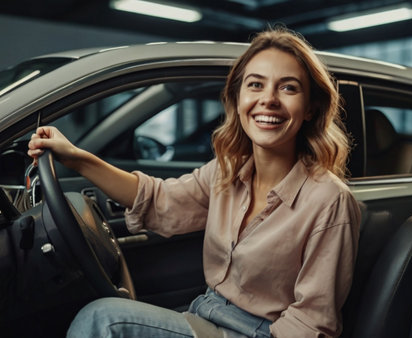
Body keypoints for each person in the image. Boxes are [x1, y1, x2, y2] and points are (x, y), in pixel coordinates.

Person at [28, 27, 360, 338]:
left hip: (256, 332)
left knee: (103, 320)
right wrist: (76, 158)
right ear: (238, 98)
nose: (268, 99)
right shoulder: (227, 171)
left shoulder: (329, 200)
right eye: (255, 85)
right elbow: (159, 201)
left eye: (288, 87)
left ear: (311, 110)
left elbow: (312, 322)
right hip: (205, 312)